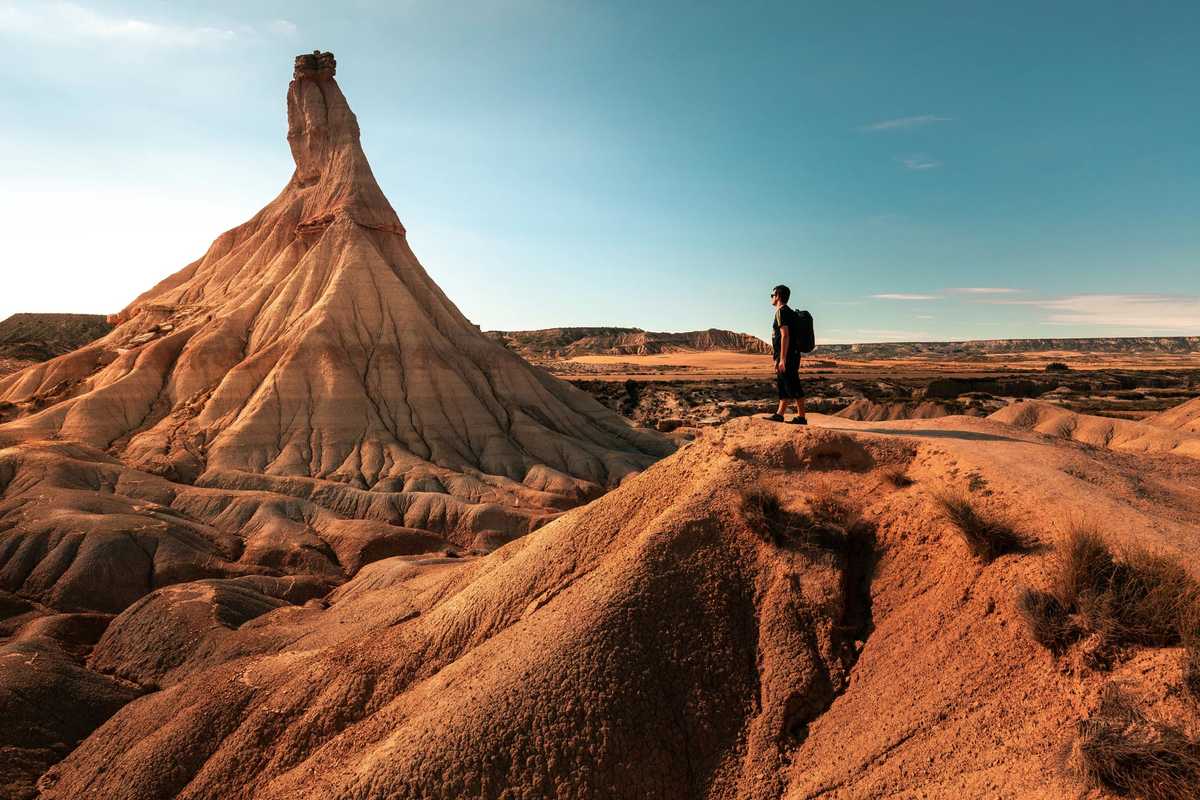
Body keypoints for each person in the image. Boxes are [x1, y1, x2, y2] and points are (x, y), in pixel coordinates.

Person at [767, 284, 807, 424]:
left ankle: (801, 417)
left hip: (788, 356)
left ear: (778, 296)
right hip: (789, 354)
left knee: (792, 384)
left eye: (772, 295)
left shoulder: (781, 312)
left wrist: (782, 359)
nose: (771, 298)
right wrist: (777, 358)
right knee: (783, 384)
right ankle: (780, 414)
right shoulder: (789, 312)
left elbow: (785, 336)